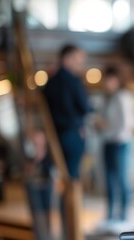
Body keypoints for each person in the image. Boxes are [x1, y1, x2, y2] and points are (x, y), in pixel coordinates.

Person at [94, 65, 134, 233]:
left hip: (120, 143)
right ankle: (111, 216)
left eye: (109, 79)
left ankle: (124, 217)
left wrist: (106, 128)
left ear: (117, 80)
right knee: (110, 181)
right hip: (108, 142)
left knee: (122, 180)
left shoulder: (123, 97)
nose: (106, 82)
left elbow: (127, 124)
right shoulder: (107, 98)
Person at [42, 44, 91, 179]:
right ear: (67, 58)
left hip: (55, 133)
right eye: (77, 59)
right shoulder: (74, 81)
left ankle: (65, 199)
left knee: (61, 173)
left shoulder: (50, 82)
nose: (80, 63)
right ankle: (72, 200)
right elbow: (85, 107)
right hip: (73, 133)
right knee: (73, 175)